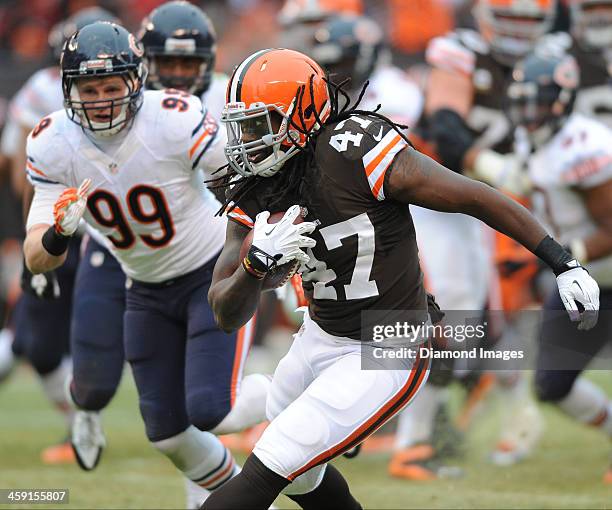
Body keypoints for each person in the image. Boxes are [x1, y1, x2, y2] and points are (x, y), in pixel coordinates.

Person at [201, 47, 598, 509]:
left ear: (302, 115)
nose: (247, 142)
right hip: (318, 336)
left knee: (268, 465)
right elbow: (225, 312)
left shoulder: (355, 150)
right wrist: (256, 268)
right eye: (241, 127)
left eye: (259, 125)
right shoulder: (255, 184)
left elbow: (474, 196)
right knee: (300, 478)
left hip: (388, 345)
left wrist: (561, 261)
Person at [22, 21, 268, 502]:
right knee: (168, 434)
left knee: (214, 410)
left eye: (111, 86)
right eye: (89, 88)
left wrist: (260, 256)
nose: (101, 99)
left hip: (208, 275)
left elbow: (246, 187)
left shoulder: (173, 119)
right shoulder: (52, 143)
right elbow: (36, 258)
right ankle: (242, 498)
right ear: (68, 89)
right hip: (146, 289)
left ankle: (306, 390)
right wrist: (58, 232)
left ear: (136, 81)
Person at [0, 7, 118, 465]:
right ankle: (80, 425)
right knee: (39, 342)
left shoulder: (152, 102)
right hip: (56, 230)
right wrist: (34, 224)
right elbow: (18, 168)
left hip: (114, 237)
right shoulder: (42, 93)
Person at [504, 47, 612, 484]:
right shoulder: (534, 139)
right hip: (583, 283)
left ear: (564, 98)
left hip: (592, 272)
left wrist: (564, 257)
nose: (528, 111)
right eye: (522, 100)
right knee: (552, 384)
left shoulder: (587, 146)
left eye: (538, 99)